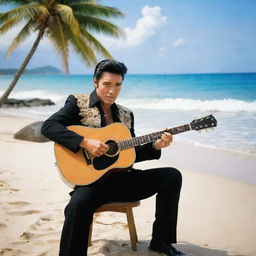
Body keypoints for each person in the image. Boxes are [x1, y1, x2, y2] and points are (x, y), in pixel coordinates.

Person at [41, 59, 188, 256]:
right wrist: (85, 142)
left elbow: (129, 155)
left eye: (118, 85)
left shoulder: (126, 114)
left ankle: (161, 242)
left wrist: (155, 145)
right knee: (77, 205)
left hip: (123, 181)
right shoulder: (77, 103)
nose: (112, 90)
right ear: (95, 82)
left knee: (172, 176)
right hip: (92, 184)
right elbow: (49, 127)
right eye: (107, 84)